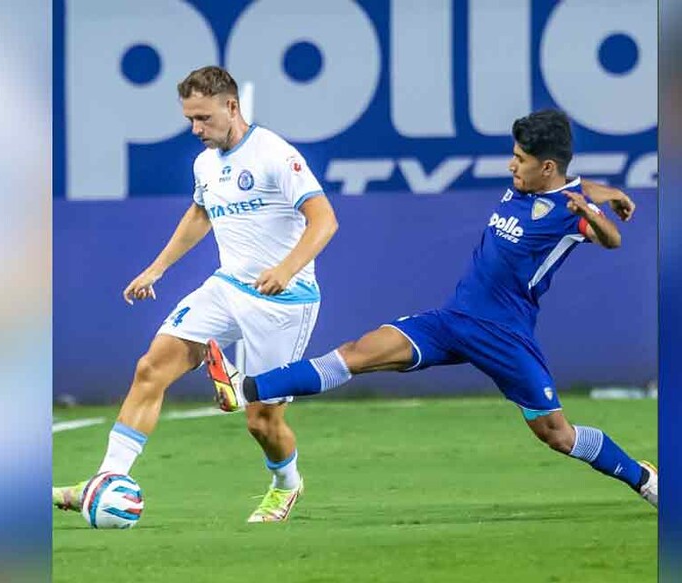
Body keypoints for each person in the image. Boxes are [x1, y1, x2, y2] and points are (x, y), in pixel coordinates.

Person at [206, 108, 657, 510]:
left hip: (505, 336)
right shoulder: (530, 185)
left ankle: (644, 479)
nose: (510, 165)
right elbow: (575, 183)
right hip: (453, 320)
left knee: (558, 435)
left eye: (519, 160)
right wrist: (608, 189)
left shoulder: (568, 213)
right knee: (357, 352)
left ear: (547, 167)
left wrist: (595, 210)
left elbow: (610, 239)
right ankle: (245, 388)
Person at [54, 65, 339, 523]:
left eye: (203, 118)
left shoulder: (274, 154)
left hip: (284, 301)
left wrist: (287, 269)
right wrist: (156, 269)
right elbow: (199, 215)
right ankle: (107, 479)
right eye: (190, 119)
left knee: (262, 421)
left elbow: (324, 219)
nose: (195, 129)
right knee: (151, 368)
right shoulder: (205, 163)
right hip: (227, 288)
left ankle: (286, 484)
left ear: (231, 106)